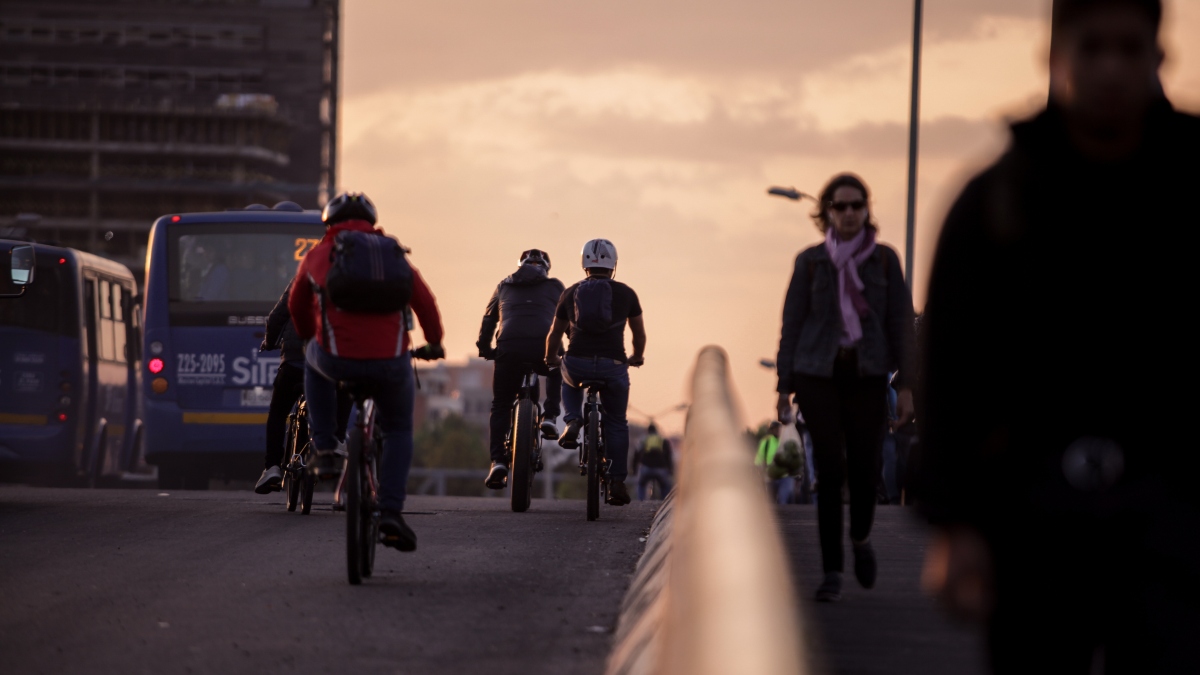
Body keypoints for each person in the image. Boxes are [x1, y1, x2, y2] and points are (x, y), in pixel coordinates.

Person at [920, 1, 1199, 671]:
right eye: (1091, 46)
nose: (1109, 67)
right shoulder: (995, 198)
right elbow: (949, 367)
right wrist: (955, 524)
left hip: (1177, 513)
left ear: (1159, 59)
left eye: (1129, 49)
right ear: (1054, 57)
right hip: (1032, 517)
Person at [775, 173, 916, 602]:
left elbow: (900, 325)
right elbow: (792, 325)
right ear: (827, 213)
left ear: (867, 210)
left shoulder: (886, 261)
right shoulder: (810, 262)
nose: (850, 213)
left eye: (858, 205)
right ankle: (832, 572)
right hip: (818, 375)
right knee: (830, 474)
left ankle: (860, 540)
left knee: (865, 470)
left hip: (869, 375)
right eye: (841, 206)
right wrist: (784, 386)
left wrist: (907, 384)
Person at [289, 192, 444, 552]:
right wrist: (434, 343)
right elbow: (425, 302)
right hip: (391, 364)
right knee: (399, 428)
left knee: (312, 356)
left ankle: (325, 447)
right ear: (372, 223)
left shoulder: (317, 255)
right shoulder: (392, 254)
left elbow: (298, 305)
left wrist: (310, 335)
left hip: (336, 359)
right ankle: (390, 511)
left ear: (328, 224)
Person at [545, 238, 645, 507]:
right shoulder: (627, 293)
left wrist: (551, 358)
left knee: (567, 375)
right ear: (613, 265)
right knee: (616, 422)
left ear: (584, 264)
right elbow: (639, 334)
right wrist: (637, 356)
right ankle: (616, 482)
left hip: (577, 362)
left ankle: (573, 419)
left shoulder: (570, 293)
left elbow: (555, 334)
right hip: (613, 367)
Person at [476, 248, 565, 490]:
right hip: (543, 345)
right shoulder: (556, 286)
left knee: (501, 404)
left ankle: (498, 462)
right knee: (557, 364)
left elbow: (489, 319)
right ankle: (550, 415)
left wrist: (484, 347)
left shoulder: (504, 285)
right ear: (546, 269)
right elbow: (569, 319)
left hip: (509, 346)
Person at [253, 280, 351, 494]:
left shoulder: (304, 277)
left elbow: (276, 317)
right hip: (328, 363)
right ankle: (337, 439)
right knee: (345, 386)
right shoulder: (349, 281)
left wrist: (269, 343)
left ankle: (272, 468)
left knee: (278, 412)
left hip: (294, 361)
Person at [630, 423, 674, 500]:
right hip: (661, 468)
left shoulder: (644, 440)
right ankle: (663, 501)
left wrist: (634, 469)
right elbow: (668, 455)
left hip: (646, 467)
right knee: (665, 486)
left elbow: (636, 455)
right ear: (656, 431)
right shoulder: (662, 440)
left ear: (648, 431)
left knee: (641, 484)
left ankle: (641, 501)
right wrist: (670, 469)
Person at [755, 421, 794, 505]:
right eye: (775, 429)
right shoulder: (765, 442)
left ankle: (784, 516)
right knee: (771, 502)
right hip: (770, 477)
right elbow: (759, 460)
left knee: (782, 499)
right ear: (771, 430)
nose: (777, 431)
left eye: (779, 429)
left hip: (785, 476)